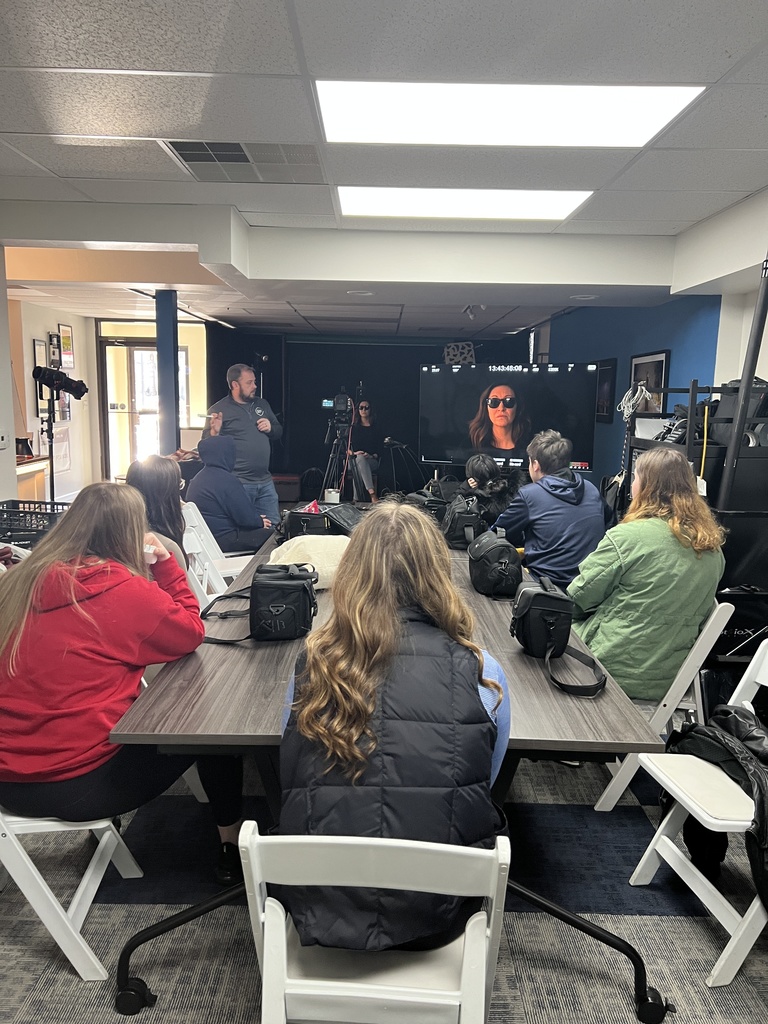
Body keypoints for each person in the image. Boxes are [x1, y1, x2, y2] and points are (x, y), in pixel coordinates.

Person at [278, 501, 510, 951]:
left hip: (316, 904)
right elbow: (483, 777)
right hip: (440, 914)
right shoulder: (483, 672)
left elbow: (292, 768)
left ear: (352, 574)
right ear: (438, 575)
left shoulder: (312, 664)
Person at [0, 483, 244, 886]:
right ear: (132, 532)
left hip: (7, 783)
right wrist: (166, 564)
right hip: (77, 785)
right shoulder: (125, 592)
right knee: (212, 728)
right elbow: (191, 632)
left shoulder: (16, 583)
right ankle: (231, 848)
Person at [567, 447, 726, 702]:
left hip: (607, 669)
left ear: (646, 486)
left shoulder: (627, 537)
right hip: (668, 680)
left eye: (635, 477)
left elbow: (577, 599)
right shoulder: (712, 549)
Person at [492, 430, 613, 588]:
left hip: (545, 588)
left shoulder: (529, 495)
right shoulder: (591, 489)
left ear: (535, 465)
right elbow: (610, 528)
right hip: (588, 586)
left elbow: (498, 535)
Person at [203, 363, 283, 525]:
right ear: (235, 385)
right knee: (245, 527)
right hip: (239, 483)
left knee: (274, 528)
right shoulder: (218, 410)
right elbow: (206, 447)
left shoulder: (262, 404)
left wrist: (271, 428)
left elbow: (278, 431)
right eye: (249, 383)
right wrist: (214, 432)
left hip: (265, 481)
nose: (254, 386)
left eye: (254, 381)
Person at [187, 435, 273, 552]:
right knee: (276, 536)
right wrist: (258, 521)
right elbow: (245, 518)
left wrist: (255, 520)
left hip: (208, 539)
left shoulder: (199, 478)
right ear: (225, 454)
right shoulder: (226, 480)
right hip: (226, 539)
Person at [125, 454, 188, 568]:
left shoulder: (119, 538)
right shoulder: (166, 548)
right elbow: (182, 580)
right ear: (168, 496)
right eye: (178, 485)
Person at [468, 382, 531, 457]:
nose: (501, 408)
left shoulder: (531, 446)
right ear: (486, 408)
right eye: (494, 402)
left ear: (517, 407)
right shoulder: (471, 446)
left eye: (508, 401)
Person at [459, 453, 521, 527]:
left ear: (473, 477)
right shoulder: (515, 492)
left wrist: (465, 487)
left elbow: (450, 511)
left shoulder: (471, 500)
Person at [348, 399, 385, 502]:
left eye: (366, 408)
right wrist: (355, 453)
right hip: (352, 460)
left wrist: (371, 456)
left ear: (370, 410)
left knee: (359, 466)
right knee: (359, 460)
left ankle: (356, 500)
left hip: (370, 460)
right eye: (361, 408)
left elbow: (380, 449)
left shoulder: (376, 428)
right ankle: (372, 494)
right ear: (358, 410)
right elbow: (345, 449)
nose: (363, 410)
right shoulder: (353, 428)